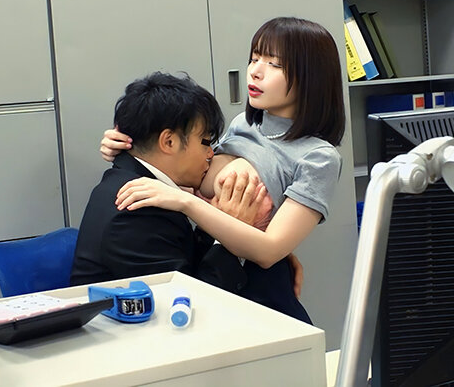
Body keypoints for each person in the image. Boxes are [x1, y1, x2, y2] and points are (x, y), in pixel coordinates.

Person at [101, 16, 345, 323]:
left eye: (274, 64)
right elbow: (187, 171)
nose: (255, 71)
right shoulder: (243, 124)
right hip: (212, 271)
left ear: (312, 78)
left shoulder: (319, 157)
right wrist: (130, 147)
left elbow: (269, 250)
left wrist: (185, 203)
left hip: (260, 295)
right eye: (254, 58)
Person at [70, 72, 268, 293]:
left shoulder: (130, 179)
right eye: (205, 142)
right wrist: (230, 239)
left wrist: (219, 224)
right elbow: (189, 301)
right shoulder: (136, 210)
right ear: (169, 141)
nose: (211, 154)